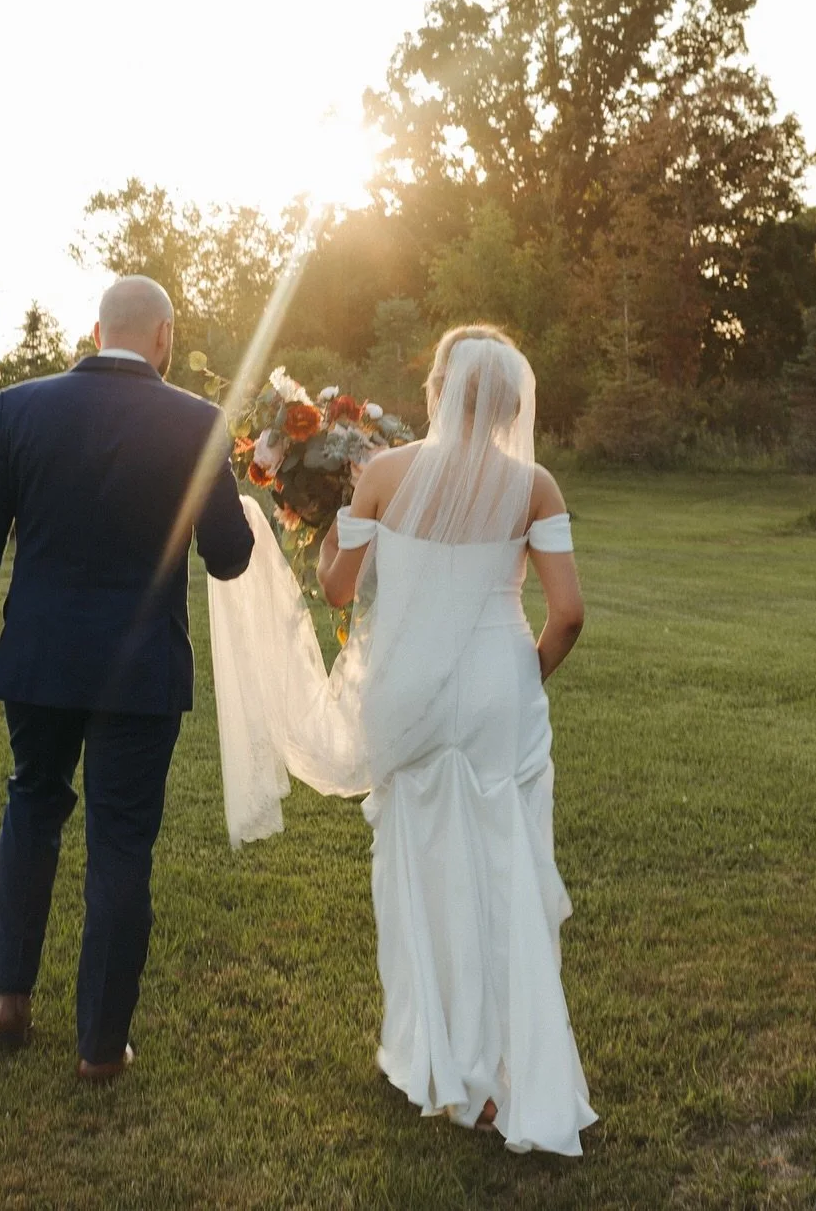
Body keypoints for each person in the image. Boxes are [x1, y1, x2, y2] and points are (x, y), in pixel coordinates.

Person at [207, 325, 596, 1153]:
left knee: (418, 872)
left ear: (439, 391)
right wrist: (523, 675)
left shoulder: (382, 473)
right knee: (505, 871)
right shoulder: (536, 487)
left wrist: (344, 524)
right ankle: (501, 1067)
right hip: (499, 686)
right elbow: (567, 614)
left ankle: (436, 1057)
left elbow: (339, 586)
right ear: (509, 403)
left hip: (409, 688)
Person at [0, 275, 254, 1073]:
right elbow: (229, 557)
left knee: (32, 804)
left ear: (96, 328)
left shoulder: (23, 406)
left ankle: (10, 1000)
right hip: (141, 671)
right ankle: (101, 1046)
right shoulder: (198, 423)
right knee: (120, 845)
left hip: (40, 659)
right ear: (164, 335)